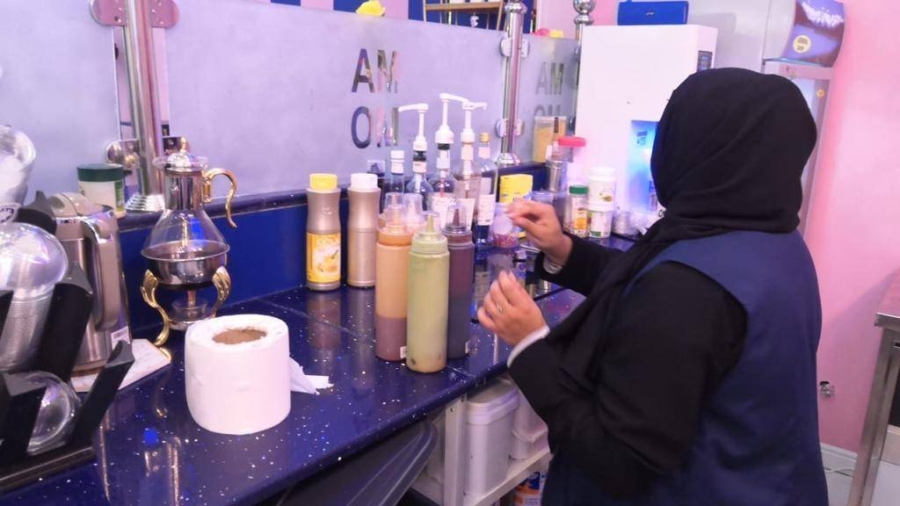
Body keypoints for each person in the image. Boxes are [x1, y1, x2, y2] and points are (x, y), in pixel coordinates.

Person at [477, 68, 828, 505]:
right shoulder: (772, 238)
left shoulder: (687, 290)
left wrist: (530, 344)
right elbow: (653, 283)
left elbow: (617, 460)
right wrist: (565, 250)